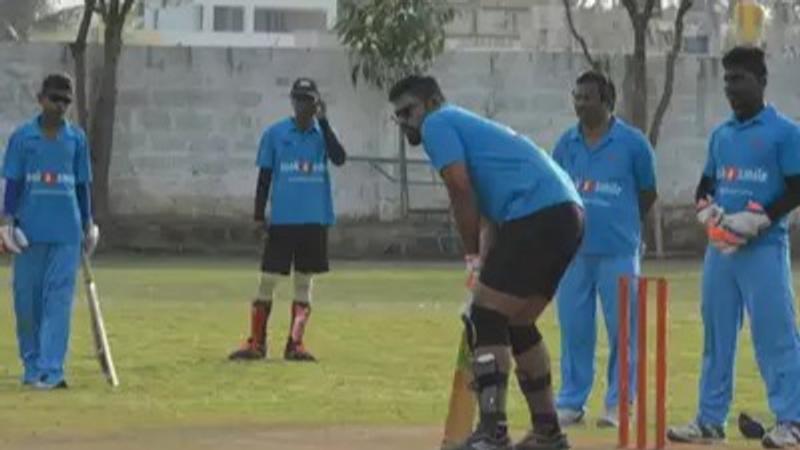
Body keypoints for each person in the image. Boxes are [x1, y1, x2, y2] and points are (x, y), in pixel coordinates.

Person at [389, 75, 584, 450]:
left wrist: (472, 259)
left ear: (431, 102)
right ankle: (548, 432)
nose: (405, 122)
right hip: (566, 214)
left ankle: (493, 431)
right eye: (398, 116)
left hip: (539, 213)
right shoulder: (466, 125)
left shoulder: (438, 123)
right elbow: (491, 215)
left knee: (486, 317)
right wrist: (483, 262)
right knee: (517, 321)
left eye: (409, 111)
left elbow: (460, 190)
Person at [667, 46, 800, 448]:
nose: (731, 88)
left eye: (739, 79)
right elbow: (706, 184)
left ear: (760, 81)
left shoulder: (785, 132)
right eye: (726, 80)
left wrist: (760, 219)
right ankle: (709, 420)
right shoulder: (722, 135)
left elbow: (796, 187)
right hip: (722, 251)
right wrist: (707, 212)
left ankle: (792, 421)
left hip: (763, 249)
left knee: (774, 335)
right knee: (717, 334)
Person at [551, 71, 657, 427]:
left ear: (606, 101)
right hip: (573, 254)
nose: (580, 104)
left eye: (587, 98)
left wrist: (623, 224)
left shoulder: (633, 143)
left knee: (624, 331)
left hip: (618, 252)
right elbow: (557, 192)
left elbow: (647, 192)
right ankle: (570, 400)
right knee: (574, 329)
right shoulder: (566, 143)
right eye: (577, 97)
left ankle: (618, 403)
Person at [228, 77, 346, 362]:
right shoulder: (275, 134)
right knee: (268, 278)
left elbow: (339, 158)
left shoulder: (322, 134)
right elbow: (265, 177)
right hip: (283, 220)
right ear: (292, 102)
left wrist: (326, 123)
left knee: (304, 282)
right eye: (300, 100)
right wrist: (258, 216)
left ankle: (295, 344)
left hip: (315, 219)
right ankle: (256, 342)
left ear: (317, 103)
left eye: (310, 100)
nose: (304, 105)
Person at [1, 73, 99, 389]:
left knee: (58, 301)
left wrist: (89, 223)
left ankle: (52, 369)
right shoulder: (22, 138)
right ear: (40, 98)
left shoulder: (77, 139)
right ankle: (31, 366)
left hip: (67, 232)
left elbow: (82, 184)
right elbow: (13, 184)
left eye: (65, 102)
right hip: (29, 232)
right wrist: (6, 222)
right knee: (28, 302)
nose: (60, 107)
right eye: (54, 99)